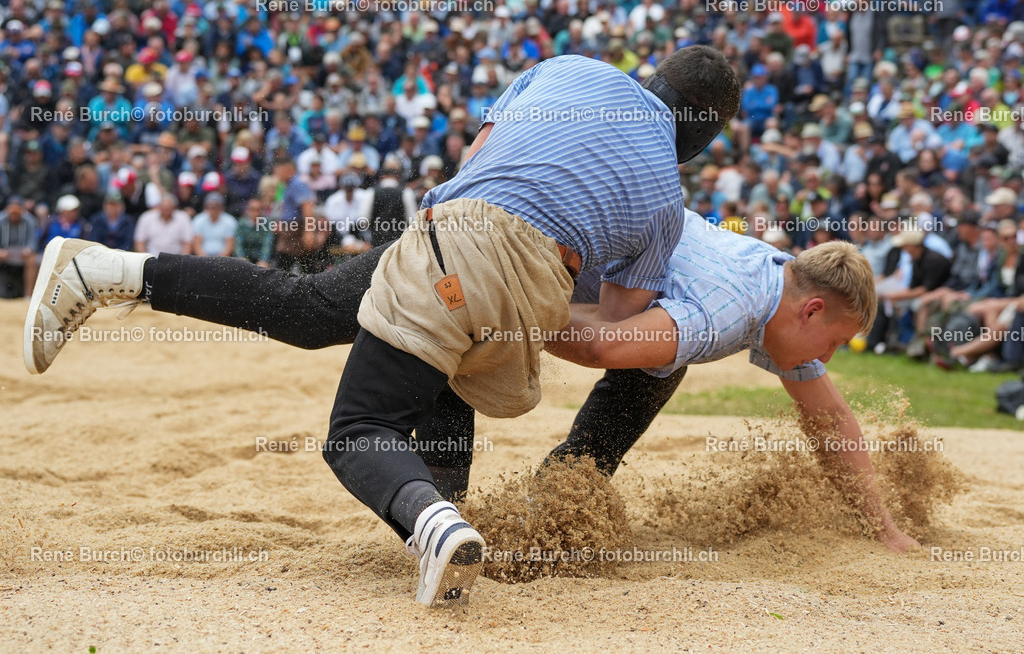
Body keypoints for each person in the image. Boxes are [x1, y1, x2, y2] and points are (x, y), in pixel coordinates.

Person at [26, 46, 742, 607]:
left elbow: (478, 154)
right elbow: (611, 331)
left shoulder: (569, 70)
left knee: (343, 329)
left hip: (456, 237)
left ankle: (439, 520)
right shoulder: (666, 205)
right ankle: (102, 271)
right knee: (365, 382)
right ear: (702, 135)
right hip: (512, 277)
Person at [0, 197, 38, 298]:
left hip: (22, 253)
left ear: (22, 211)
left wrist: (29, 249)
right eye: (12, 212)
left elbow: (33, 242)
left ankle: (28, 295)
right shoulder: (0, 220)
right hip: (4, 251)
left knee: (32, 259)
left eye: (17, 213)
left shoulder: (30, 220)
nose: (14, 216)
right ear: (7, 210)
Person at [191, 193, 237, 257]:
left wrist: (220, 259)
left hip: (223, 258)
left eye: (215, 207)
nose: (212, 209)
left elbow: (230, 244)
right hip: (203, 258)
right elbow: (197, 244)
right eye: (209, 206)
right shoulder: (198, 220)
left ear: (221, 207)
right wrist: (205, 259)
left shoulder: (229, 221)